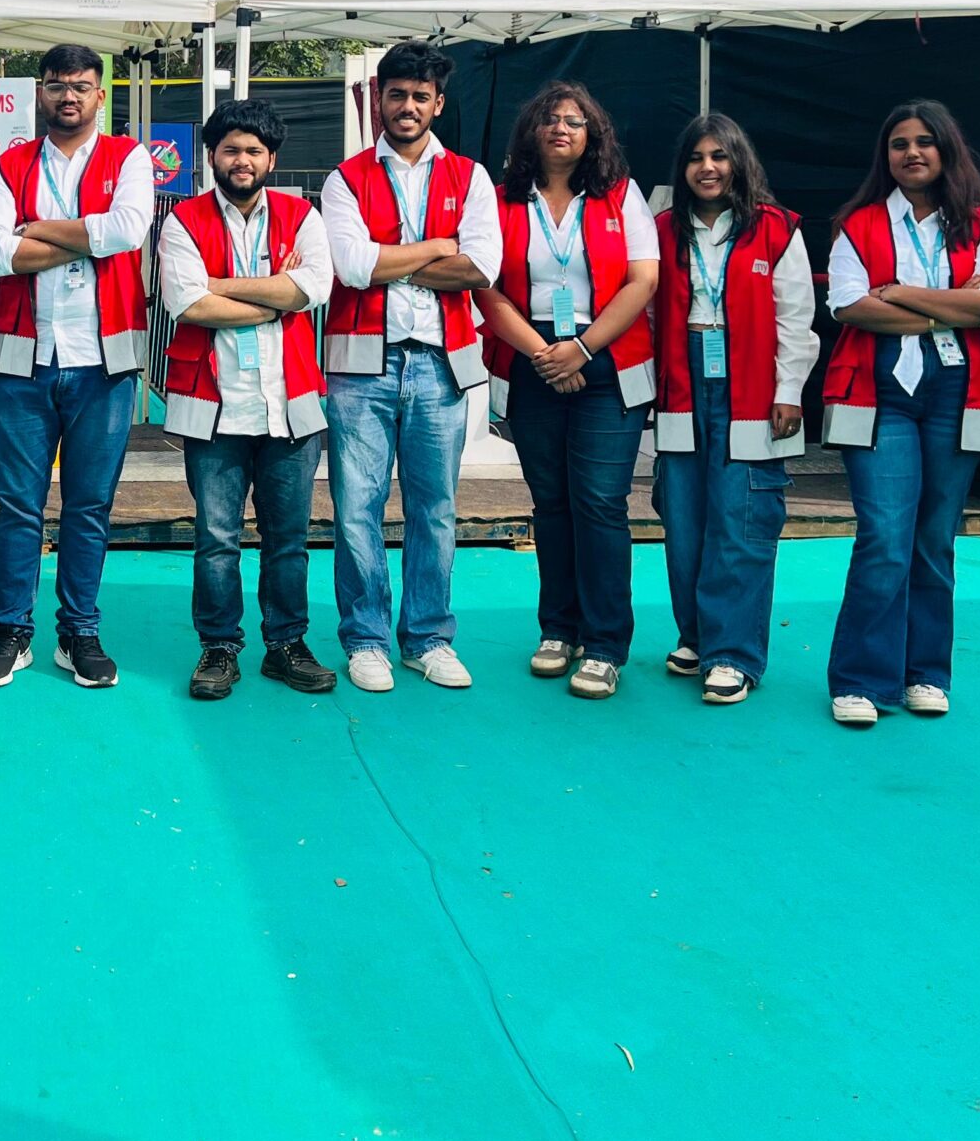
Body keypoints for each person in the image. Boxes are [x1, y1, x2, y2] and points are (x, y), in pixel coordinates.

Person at [821, 100, 980, 728]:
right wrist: (950, 307)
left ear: (946, 149)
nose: (912, 152)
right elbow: (849, 306)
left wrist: (901, 293)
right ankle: (860, 679)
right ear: (886, 156)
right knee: (884, 536)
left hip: (959, 391)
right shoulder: (858, 225)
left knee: (934, 539)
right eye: (899, 143)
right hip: (881, 393)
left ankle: (925, 673)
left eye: (925, 141)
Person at [0, 43, 154, 689]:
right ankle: (11, 631)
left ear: (101, 95)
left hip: (104, 362)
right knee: (18, 507)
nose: (67, 96)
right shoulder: (11, 163)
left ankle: (79, 632)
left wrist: (38, 229)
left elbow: (127, 230)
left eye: (79, 86)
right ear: (39, 93)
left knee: (89, 505)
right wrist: (84, 237)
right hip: (24, 362)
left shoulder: (129, 157)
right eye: (55, 85)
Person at [320, 42, 500, 692]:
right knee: (355, 509)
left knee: (436, 509)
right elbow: (352, 267)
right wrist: (435, 248)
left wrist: (390, 258)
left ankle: (428, 638)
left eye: (420, 96)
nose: (407, 106)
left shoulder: (471, 177)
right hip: (359, 366)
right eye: (396, 94)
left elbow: (481, 268)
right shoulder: (345, 179)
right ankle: (366, 639)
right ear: (379, 100)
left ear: (438, 104)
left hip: (440, 363)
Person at [474, 82, 657, 700]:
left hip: (606, 360)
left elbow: (643, 280)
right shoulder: (501, 199)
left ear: (592, 134)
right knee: (550, 503)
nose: (561, 129)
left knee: (600, 503)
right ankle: (558, 629)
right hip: (533, 359)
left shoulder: (620, 195)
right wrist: (544, 354)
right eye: (550, 119)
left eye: (575, 121)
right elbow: (485, 286)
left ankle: (604, 644)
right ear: (530, 130)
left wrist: (581, 349)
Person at [159, 98, 338, 700]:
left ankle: (286, 644)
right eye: (231, 149)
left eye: (254, 151)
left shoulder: (302, 214)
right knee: (216, 540)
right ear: (211, 155)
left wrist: (222, 285)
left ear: (271, 159)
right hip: (213, 407)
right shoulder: (182, 221)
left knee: (289, 540)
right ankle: (219, 647)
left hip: (290, 404)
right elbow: (188, 303)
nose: (242, 160)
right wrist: (273, 297)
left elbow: (312, 288)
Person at [648, 113, 816, 706]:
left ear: (739, 162)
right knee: (683, 516)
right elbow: (647, 311)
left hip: (752, 382)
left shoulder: (776, 228)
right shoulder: (662, 228)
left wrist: (789, 389)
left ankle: (733, 653)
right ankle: (697, 636)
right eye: (696, 157)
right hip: (682, 377)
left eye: (719, 156)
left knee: (742, 514)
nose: (708, 167)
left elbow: (796, 315)